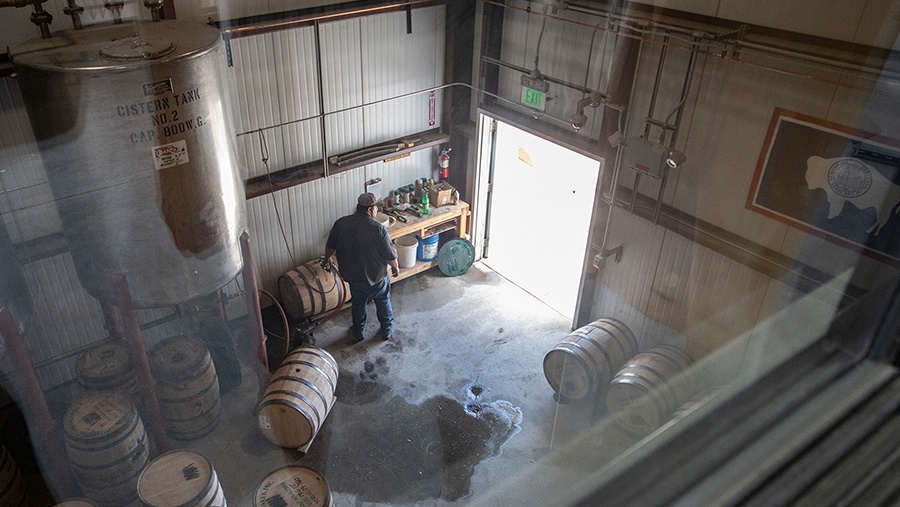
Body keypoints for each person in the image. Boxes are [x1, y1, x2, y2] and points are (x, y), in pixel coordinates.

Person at [323, 192, 399, 342]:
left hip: (353, 276)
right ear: (370, 210)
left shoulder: (341, 223)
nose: (377, 211)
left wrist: (326, 260)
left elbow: (330, 246)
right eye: (376, 208)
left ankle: (359, 331)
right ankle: (386, 330)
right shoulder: (378, 229)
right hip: (376, 277)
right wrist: (396, 268)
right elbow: (390, 256)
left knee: (358, 302)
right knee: (383, 301)